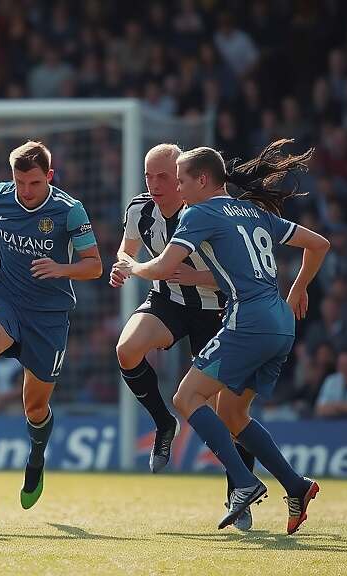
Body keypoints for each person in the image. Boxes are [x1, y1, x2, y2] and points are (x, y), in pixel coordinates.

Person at [116, 140, 330, 534]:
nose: (177, 189)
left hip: (246, 320)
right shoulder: (252, 210)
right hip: (282, 323)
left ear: (202, 180)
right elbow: (320, 244)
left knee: (185, 397)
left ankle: (244, 483)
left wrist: (132, 264)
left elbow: (163, 266)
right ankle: (297, 487)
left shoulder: (199, 214)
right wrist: (299, 289)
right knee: (233, 415)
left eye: (181, 180)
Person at [0, 141, 102, 510]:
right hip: (7, 300)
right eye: (19, 182)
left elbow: (94, 265)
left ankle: (36, 458)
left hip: (48, 316)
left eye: (33, 183)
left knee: (33, 407)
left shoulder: (69, 210)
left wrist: (61, 268)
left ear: (49, 176)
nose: (26, 191)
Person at [111, 143, 256, 530]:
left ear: (181, 179)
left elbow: (241, 273)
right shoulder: (139, 210)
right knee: (127, 349)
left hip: (219, 310)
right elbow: (127, 252)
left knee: (230, 411)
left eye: (163, 177)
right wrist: (122, 267)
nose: (155, 184)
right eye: (149, 176)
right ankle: (163, 424)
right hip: (169, 302)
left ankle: (239, 495)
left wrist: (195, 276)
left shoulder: (206, 213)